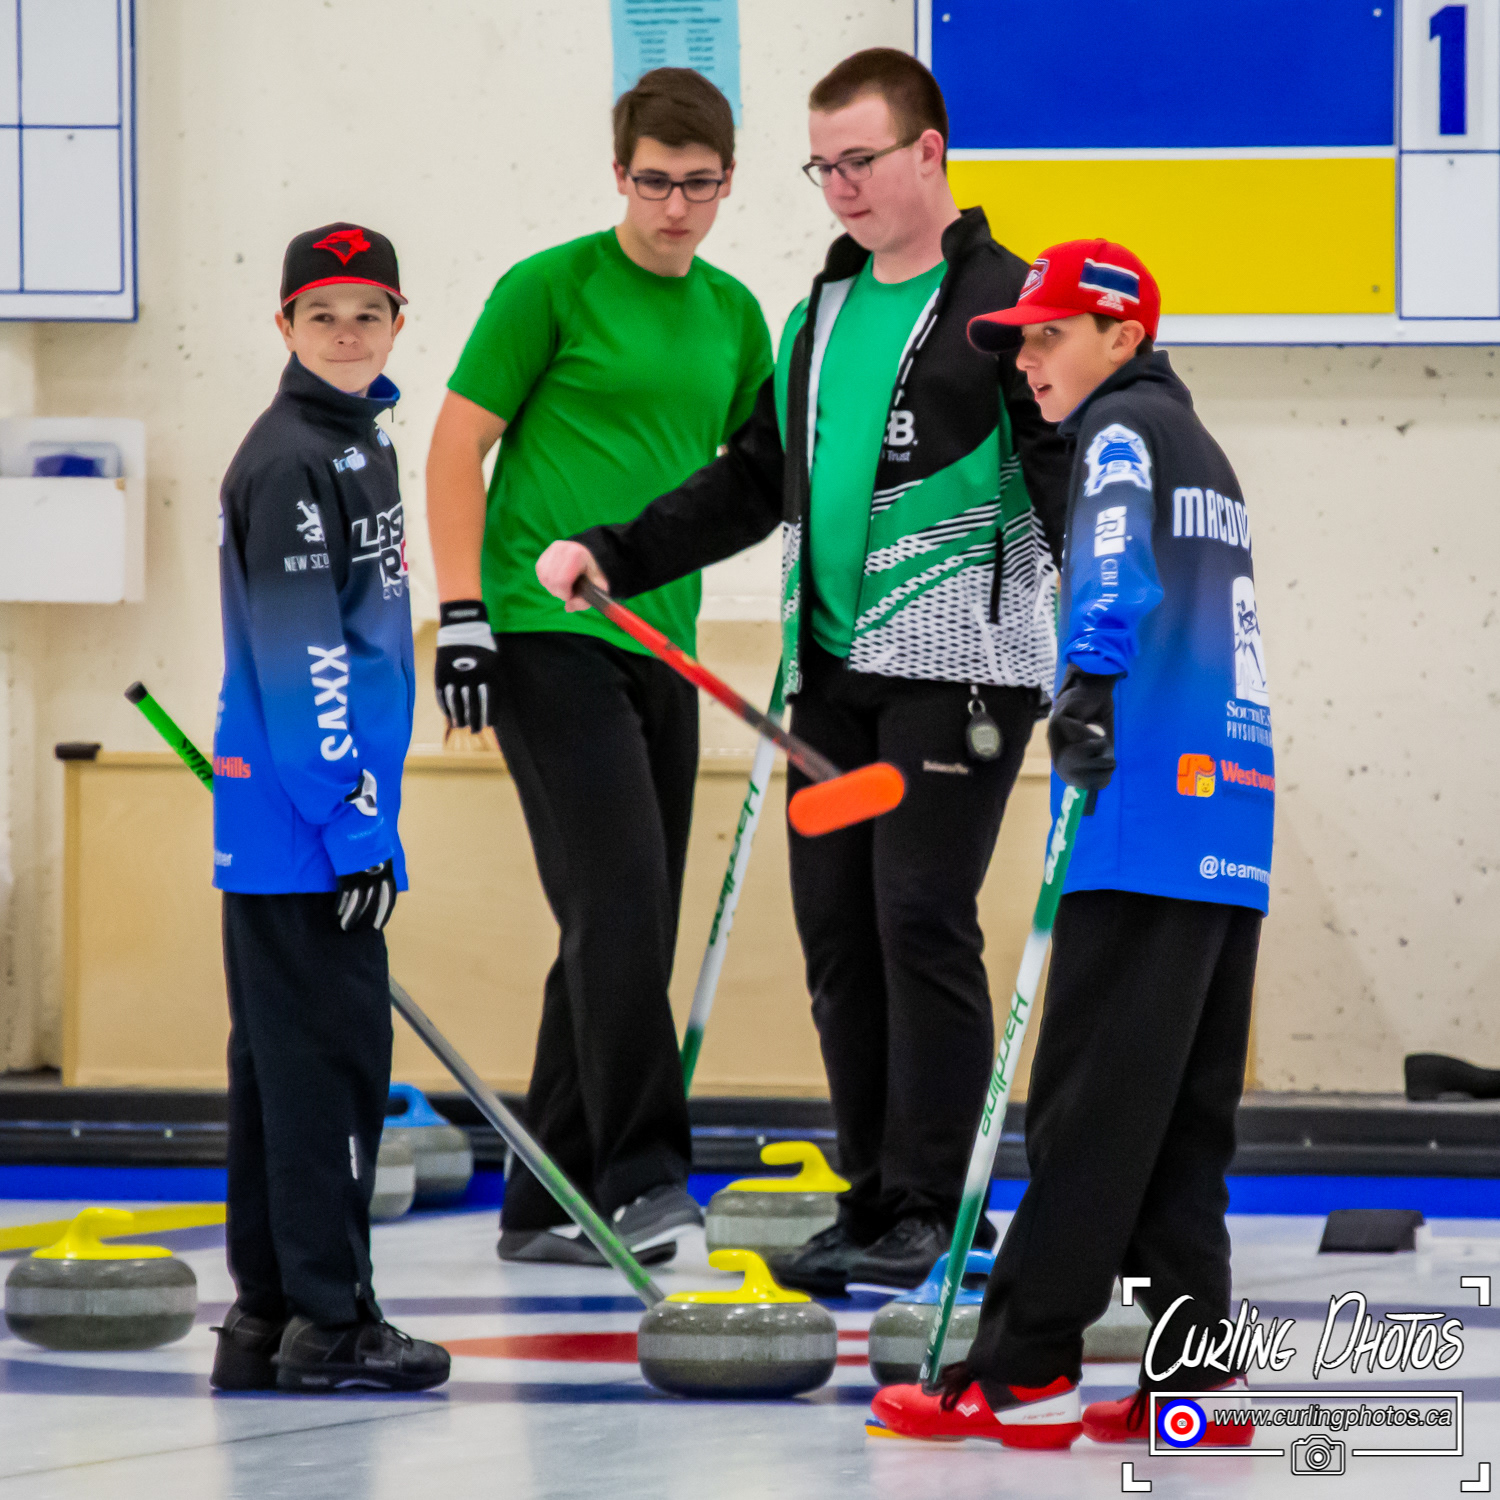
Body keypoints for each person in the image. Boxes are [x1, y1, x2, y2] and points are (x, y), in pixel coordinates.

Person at [537, 49, 1071, 1294]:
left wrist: (1109, 643)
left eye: (860, 161)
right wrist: (617, 549)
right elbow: (752, 480)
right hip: (829, 679)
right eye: (822, 166)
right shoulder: (822, 310)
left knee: (918, 920)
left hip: (963, 673)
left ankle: (936, 1206)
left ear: (929, 151)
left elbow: (1064, 480)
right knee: (836, 932)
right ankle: (874, 1195)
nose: (839, 187)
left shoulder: (1006, 304)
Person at [868, 239, 1274, 1447]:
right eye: (1021, 341)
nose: (1029, 360)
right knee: (1180, 1123)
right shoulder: (1205, 450)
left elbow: (1108, 560)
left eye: (1050, 335)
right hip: (1227, 823)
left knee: (1089, 1112)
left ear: (1123, 335)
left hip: (1138, 811)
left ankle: (1026, 1369)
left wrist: (1087, 682)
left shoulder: (1120, 432)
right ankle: (1192, 1382)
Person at [424, 69, 772, 1264]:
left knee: (620, 920)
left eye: (700, 185)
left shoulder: (735, 316)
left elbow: (756, 478)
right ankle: (642, 1179)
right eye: (655, 182)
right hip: (543, 629)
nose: (676, 208)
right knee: (619, 903)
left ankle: (544, 1201)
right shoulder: (550, 287)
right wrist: (463, 615)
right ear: (620, 173)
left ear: (728, 182)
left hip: (661, 641)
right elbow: (456, 448)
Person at [209, 223, 448, 1394]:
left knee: (281, 1072)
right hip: (310, 829)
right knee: (333, 1075)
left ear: (398, 322)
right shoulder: (293, 459)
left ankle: (266, 1318)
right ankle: (335, 1324)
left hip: (307, 820)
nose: (346, 335)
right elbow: (306, 665)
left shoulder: (360, 440)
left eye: (367, 314)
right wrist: (355, 830)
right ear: (285, 326)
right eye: (322, 316)